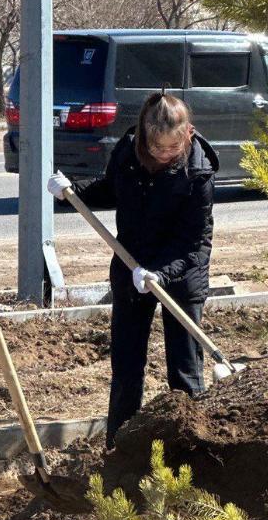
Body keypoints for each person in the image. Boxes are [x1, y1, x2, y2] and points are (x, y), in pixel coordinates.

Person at [47, 93, 217, 450]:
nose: (163, 155)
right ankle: (121, 448)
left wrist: (161, 274)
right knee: (126, 366)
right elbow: (112, 190)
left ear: (188, 134)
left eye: (172, 148)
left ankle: (188, 451)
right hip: (130, 264)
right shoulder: (128, 152)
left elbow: (193, 243)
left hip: (182, 273)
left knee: (184, 370)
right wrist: (72, 193)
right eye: (156, 148)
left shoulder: (199, 170)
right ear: (143, 136)